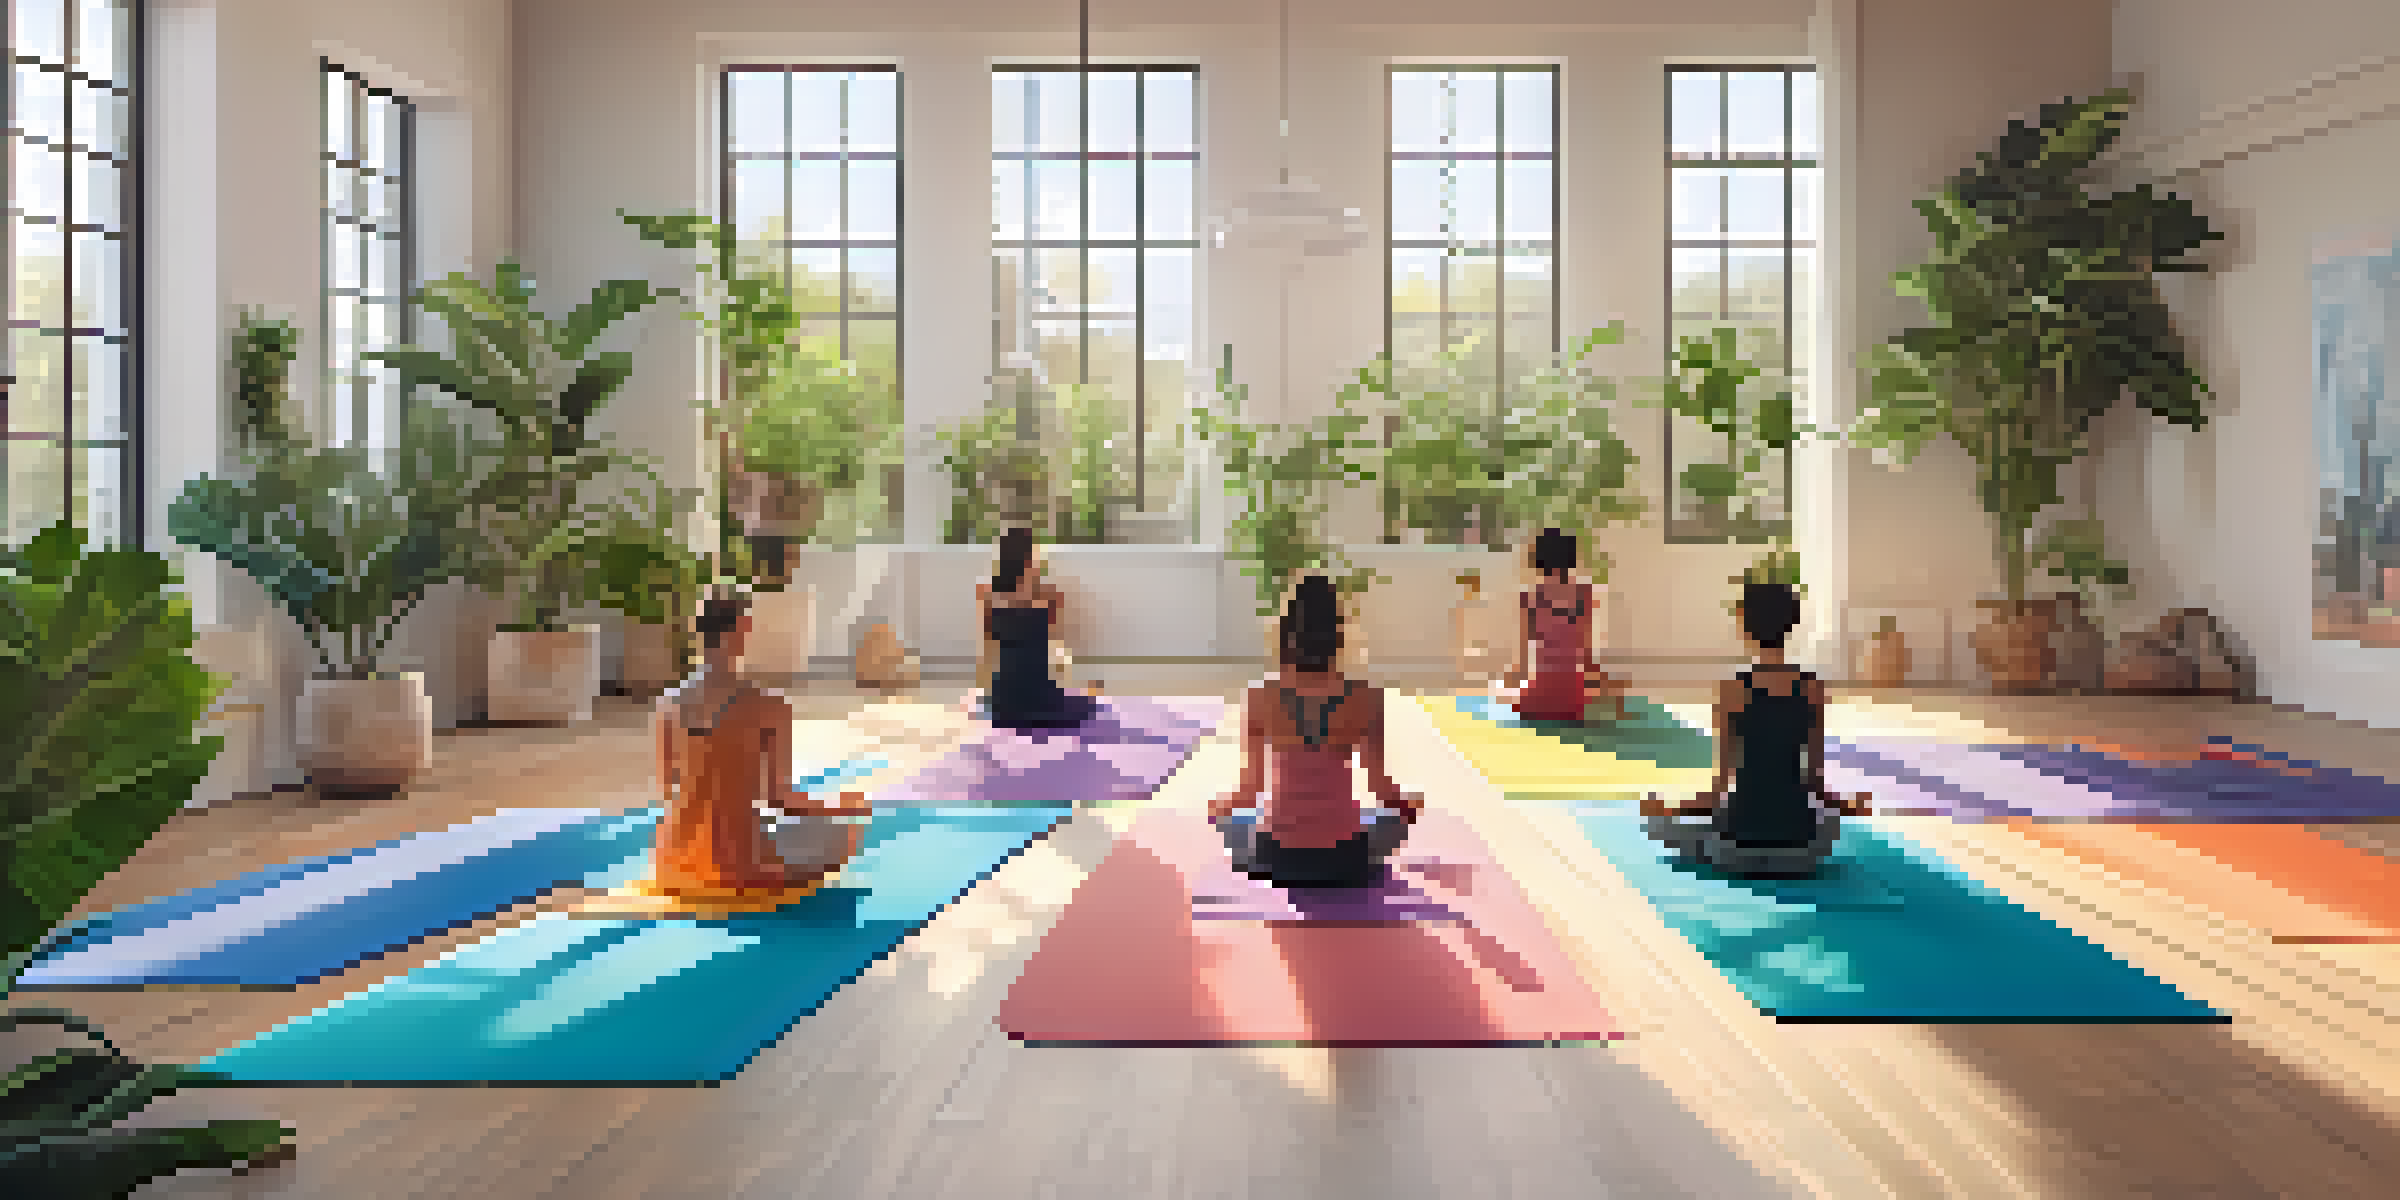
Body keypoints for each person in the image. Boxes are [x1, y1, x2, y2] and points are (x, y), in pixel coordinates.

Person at [583, 591, 869, 917]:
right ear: (743, 628)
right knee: (844, 830)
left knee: (754, 822)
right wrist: (841, 804)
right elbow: (779, 797)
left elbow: (668, 789)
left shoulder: (667, 704)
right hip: (737, 868)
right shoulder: (769, 704)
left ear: (698, 633)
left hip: (670, 863)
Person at [1640, 581, 1871, 877]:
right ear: (1792, 623)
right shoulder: (1813, 687)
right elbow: (1814, 783)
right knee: (1828, 821)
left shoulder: (1732, 689)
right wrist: (1850, 805)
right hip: (1801, 853)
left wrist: (1668, 809)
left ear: (1745, 626)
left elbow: (1718, 790)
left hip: (1737, 850)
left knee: (1661, 826)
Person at [1208, 575, 1421, 889]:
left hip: (1276, 857)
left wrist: (1218, 808)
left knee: (1231, 822)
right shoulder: (1367, 696)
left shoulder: (1259, 695)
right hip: (1346, 859)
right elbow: (1381, 789)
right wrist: (1409, 806)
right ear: (1338, 634)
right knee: (1393, 820)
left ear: (1286, 631)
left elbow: (1249, 791)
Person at [978, 527, 1098, 730]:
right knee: (1089, 706)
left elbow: (988, 647)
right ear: (1028, 558)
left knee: (1083, 701)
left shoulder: (987, 593)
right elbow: (1054, 639)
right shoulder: (1047, 595)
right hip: (1037, 698)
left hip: (1003, 702)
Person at [1505, 527, 1630, 722]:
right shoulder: (1584, 594)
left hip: (1539, 698)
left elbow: (1523, 659)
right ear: (1571, 559)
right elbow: (1586, 655)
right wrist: (1610, 689)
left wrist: (1510, 683)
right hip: (1573, 700)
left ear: (1539, 560)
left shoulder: (1529, 597)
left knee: (1502, 691)